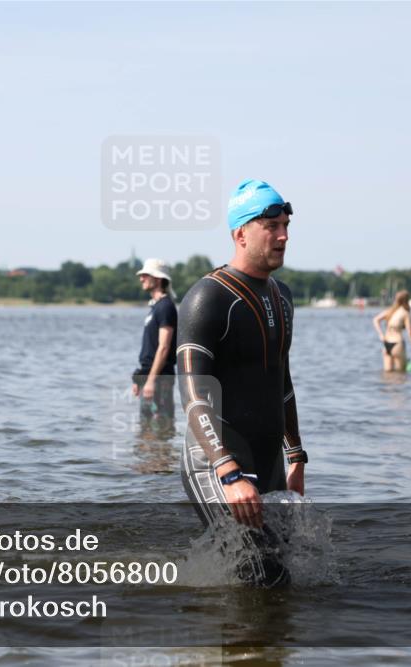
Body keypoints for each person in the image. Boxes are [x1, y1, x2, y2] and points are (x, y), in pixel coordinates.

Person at [176, 179, 306, 584]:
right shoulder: (208, 298)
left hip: (267, 460)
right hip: (215, 461)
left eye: (285, 225)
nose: (283, 235)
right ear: (240, 234)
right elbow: (193, 394)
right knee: (262, 574)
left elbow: (280, 380)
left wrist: (297, 455)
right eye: (271, 227)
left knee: (281, 574)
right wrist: (228, 471)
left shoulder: (281, 296)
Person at [131, 258, 177, 437]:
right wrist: (140, 377)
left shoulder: (166, 307)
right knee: (146, 433)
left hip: (159, 380)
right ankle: (150, 464)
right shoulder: (156, 307)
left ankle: (160, 464)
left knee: (159, 433)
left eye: (145, 275)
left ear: (158, 279)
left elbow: (164, 347)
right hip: (150, 378)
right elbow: (150, 350)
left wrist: (151, 380)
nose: (141, 278)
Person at [372, 290, 411, 372]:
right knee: (400, 374)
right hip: (397, 344)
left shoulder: (390, 311)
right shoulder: (405, 313)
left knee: (387, 374)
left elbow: (375, 320)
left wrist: (381, 334)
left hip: (386, 344)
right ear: (406, 300)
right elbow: (410, 332)